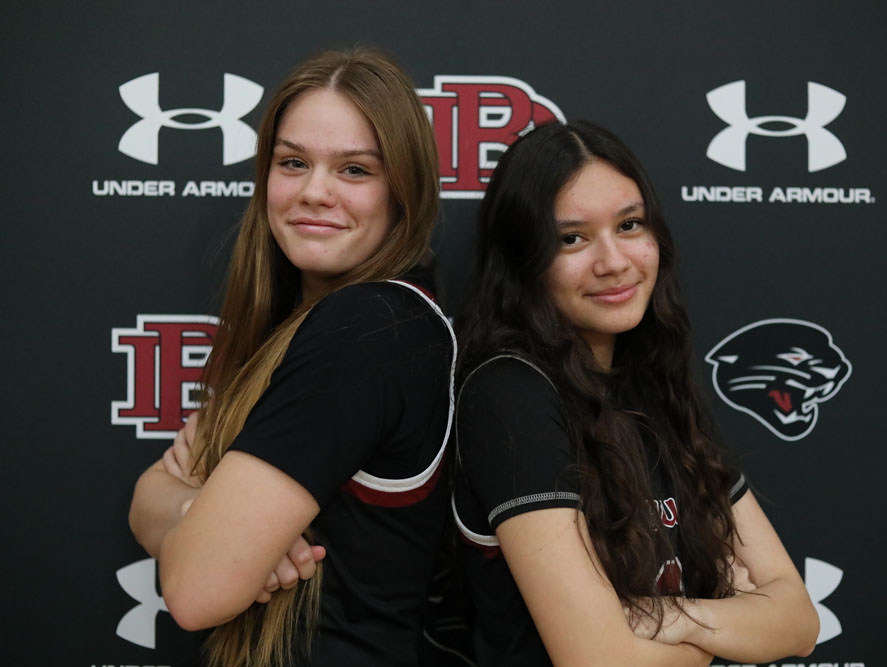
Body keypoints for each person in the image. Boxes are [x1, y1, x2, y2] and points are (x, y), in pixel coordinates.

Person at [128, 48, 456, 667]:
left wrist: (205, 522)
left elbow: (196, 589)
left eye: (355, 170)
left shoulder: (368, 327)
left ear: (404, 189)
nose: (314, 192)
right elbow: (147, 494)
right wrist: (203, 513)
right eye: (293, 162)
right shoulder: (302, 327)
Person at [451, 120, 820, 666]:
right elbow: (598, 659)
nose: (614, 262)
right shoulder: (512, 394)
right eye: (571, 238)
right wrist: (729, 622)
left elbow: (798, 621)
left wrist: (665, 616)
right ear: (523, 262)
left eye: (629, 225)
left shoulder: (653, 385)